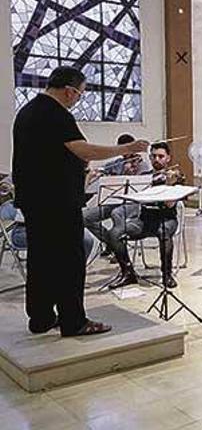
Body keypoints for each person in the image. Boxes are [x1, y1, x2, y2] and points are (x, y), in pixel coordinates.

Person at [12, 65, 149, 336]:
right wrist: (127, 149)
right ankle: (74, 320)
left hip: (34, 199)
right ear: (69, 91)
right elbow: (82, 149)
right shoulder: (55, 114)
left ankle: (40, 318)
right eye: (80, 94)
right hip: (57, 201)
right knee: (69, 260)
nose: (79, 99)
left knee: (41, 259)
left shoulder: (27, 111)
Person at [97, 142, 183, 290]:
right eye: (154, 156)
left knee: (164, 232)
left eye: (161, 156)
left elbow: (170, 205)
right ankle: (128, 272)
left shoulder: (176, 177)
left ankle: (167, 274)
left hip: (166, 219)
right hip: (144, 220)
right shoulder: (144, 177)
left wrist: (169, 184)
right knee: (114, 233)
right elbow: (133, 198)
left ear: (168, 158)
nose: (157, 159)